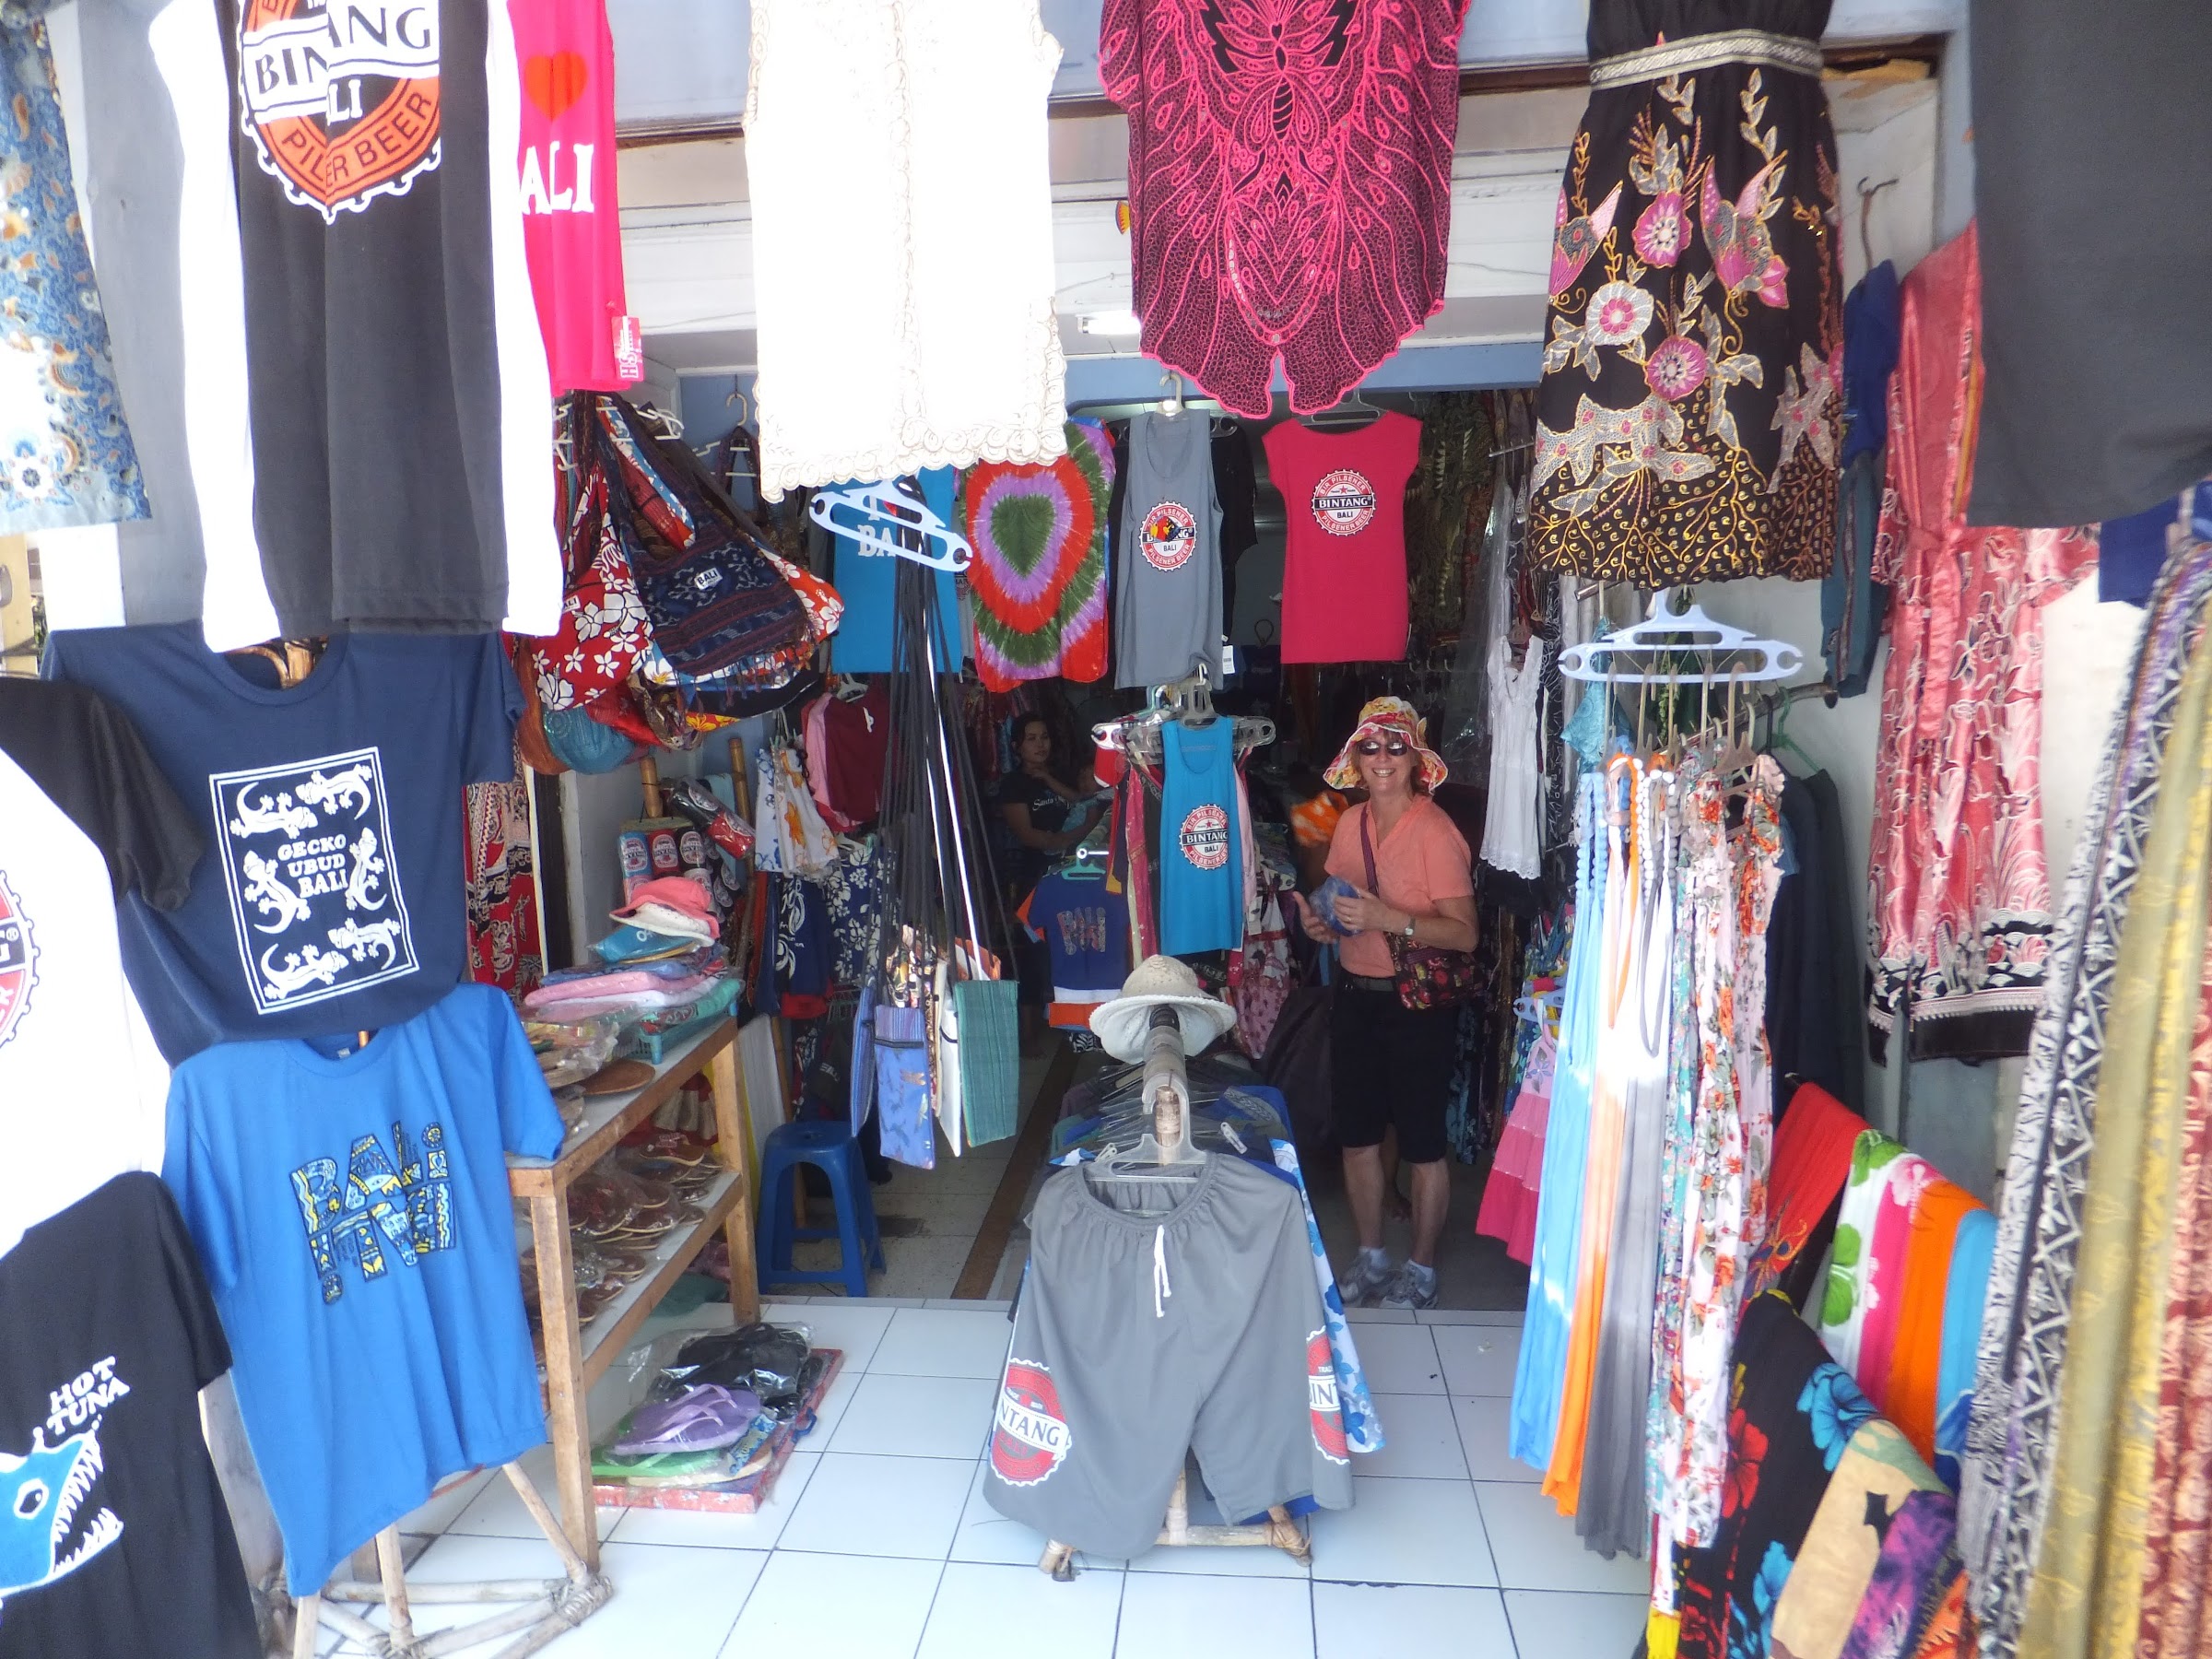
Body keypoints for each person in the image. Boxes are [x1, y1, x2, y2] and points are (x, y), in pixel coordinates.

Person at [1290, 697, 1477, 1311]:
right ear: (1356, 759)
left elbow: (1465, 934)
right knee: (1359, 1137)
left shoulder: (1435, 831)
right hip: (1354, 997)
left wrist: (1389, 919)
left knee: (1422, 1143)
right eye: (1370, 747)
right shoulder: (1349, 824)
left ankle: (1420, 1269)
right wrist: (1322, 925)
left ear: (1416, 760)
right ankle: (1370, 1258)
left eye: (1396, 747)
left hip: (1417, 1007)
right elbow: (1344, 910)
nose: (1383, 759)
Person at [996, 714, 1103, 1041]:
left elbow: (1082, 801)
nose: (1040, 744)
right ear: (1016, 746)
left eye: (1043, 737)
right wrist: (1081, 834)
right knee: (1032, 952)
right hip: (1035, 876)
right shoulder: (1013, 785)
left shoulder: (1059, 776)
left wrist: (1049, 780)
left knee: (1072, 943)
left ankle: (1073, 1022)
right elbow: (1029, 836)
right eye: (1031, 739)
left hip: (1071, 875)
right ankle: (1030, 1033)